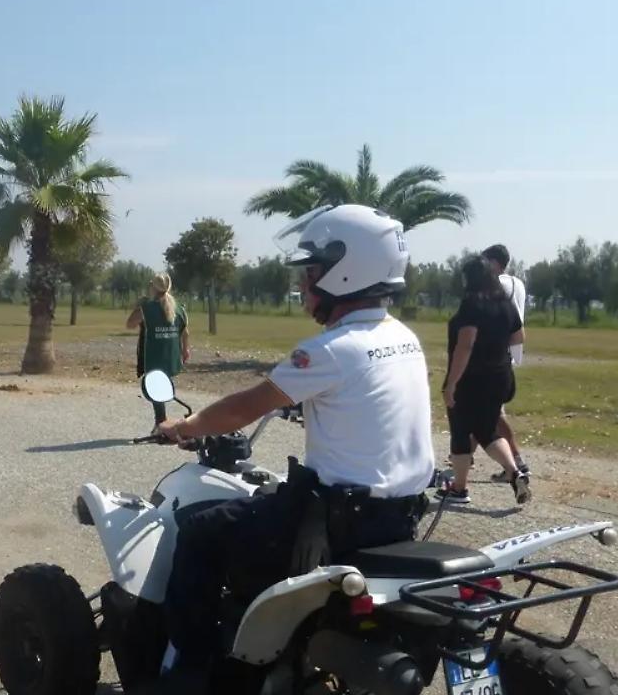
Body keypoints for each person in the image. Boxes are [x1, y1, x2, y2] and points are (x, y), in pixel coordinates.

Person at [156, 204, 435, 670]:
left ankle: (192, 662)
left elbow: (246, 406)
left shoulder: (329, 349)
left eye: (311, 272)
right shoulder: (403, 337)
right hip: (398, 517)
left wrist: (185, 427)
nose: (303, 285)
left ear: (345, 273)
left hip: (335, 520)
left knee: (199, 530)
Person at [440, 257, 530, 505]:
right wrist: (493, 343)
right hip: (500, 377)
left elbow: (465, 345)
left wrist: (451, 384)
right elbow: (519, 336)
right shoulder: (505, 304)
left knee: (460, 431)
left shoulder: (472, 304)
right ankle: (515, 472)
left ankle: (459, 488)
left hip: (471, 379)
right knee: (487, 430)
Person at [480, 244, 530, 479]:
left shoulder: (497, 285)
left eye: (485, 261)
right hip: (508, 352)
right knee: (482, 410)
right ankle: (462, 456)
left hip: (494, 354)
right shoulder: (516, 283)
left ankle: (517, 463)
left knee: (492, 413)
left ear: (494, 263)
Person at [126, 273, 190, 428]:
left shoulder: (147, 308)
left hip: (154, 354)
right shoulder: (179, 308)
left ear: (153, 287)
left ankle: (160, 423)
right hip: (171, 353)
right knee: (159, 385)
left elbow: (130, 324)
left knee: (153, 386)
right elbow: (185, 331)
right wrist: (185, 350)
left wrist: (138, 307)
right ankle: (162, 421)